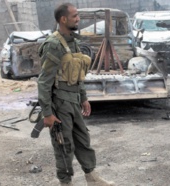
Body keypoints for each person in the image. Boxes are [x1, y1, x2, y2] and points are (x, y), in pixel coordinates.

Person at [37, 3, 115, 186]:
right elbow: (44, 81)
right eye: (75, 16)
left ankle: (92, 177)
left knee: (83, 140)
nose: (78, 19)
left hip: (73, 101)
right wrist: (47, 113)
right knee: (64, 145)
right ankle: (66, 183)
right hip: (60, 103)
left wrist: (84, 97)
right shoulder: (54, 45)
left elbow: (78, 75)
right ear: (63, 19)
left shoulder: (73, 42)